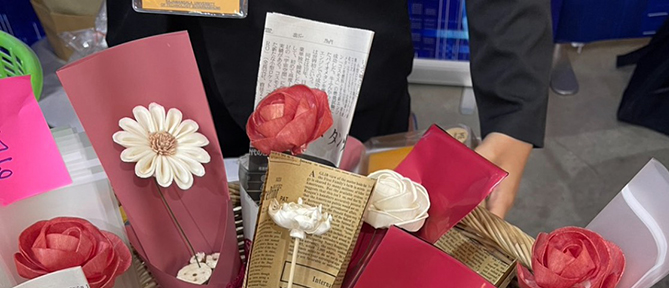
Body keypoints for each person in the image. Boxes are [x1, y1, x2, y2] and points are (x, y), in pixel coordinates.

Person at [106, 0, 551, 217]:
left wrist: (514, 108)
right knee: (187, 253)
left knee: (347, 265)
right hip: (161, 45)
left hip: (335, 61)